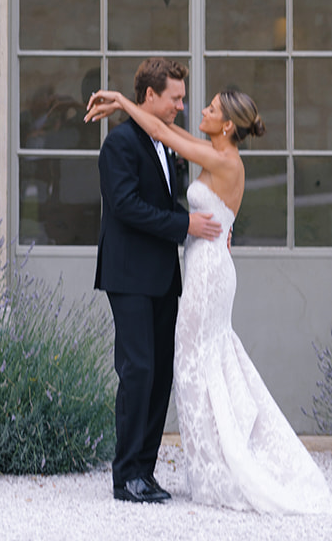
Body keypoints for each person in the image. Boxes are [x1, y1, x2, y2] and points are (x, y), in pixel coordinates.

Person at [85, 80, 332, 514]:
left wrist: (121, 102)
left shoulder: (223, 160)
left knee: (196, 367)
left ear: (227, 125)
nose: (198, 110)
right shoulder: (215, 150)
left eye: (209, 108)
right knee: (199, 365)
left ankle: (219, 468)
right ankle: (206, 465)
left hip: (208, 274)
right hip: (202, 268)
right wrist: (122, 102)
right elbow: (165, 132)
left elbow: (165, 134)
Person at [92, 56, 222, 504]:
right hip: (128, 274)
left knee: (160, 374)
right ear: (150, 96)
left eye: (184, 99)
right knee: (137, 371)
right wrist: (184, 225)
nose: (181, 107)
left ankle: (145, 472)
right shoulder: (120, 145)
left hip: (165, 277)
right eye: (175, 98)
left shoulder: (166, 142)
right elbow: (125, 206)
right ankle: (124, 475)